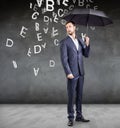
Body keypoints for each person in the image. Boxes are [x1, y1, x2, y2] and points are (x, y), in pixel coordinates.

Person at [60, 21, 90, 126]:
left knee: (79, 96)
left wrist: (87, 43)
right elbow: (64, 60)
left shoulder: (81, 40)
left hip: (81, 72)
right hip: (72, 73)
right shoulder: (64, 42)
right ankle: (70, 118)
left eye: (70, 26)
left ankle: (79, 116)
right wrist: (68, 72)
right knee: (71, 96)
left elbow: (86, 54)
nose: (68, 29)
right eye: (66, 27)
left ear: (74, 27)